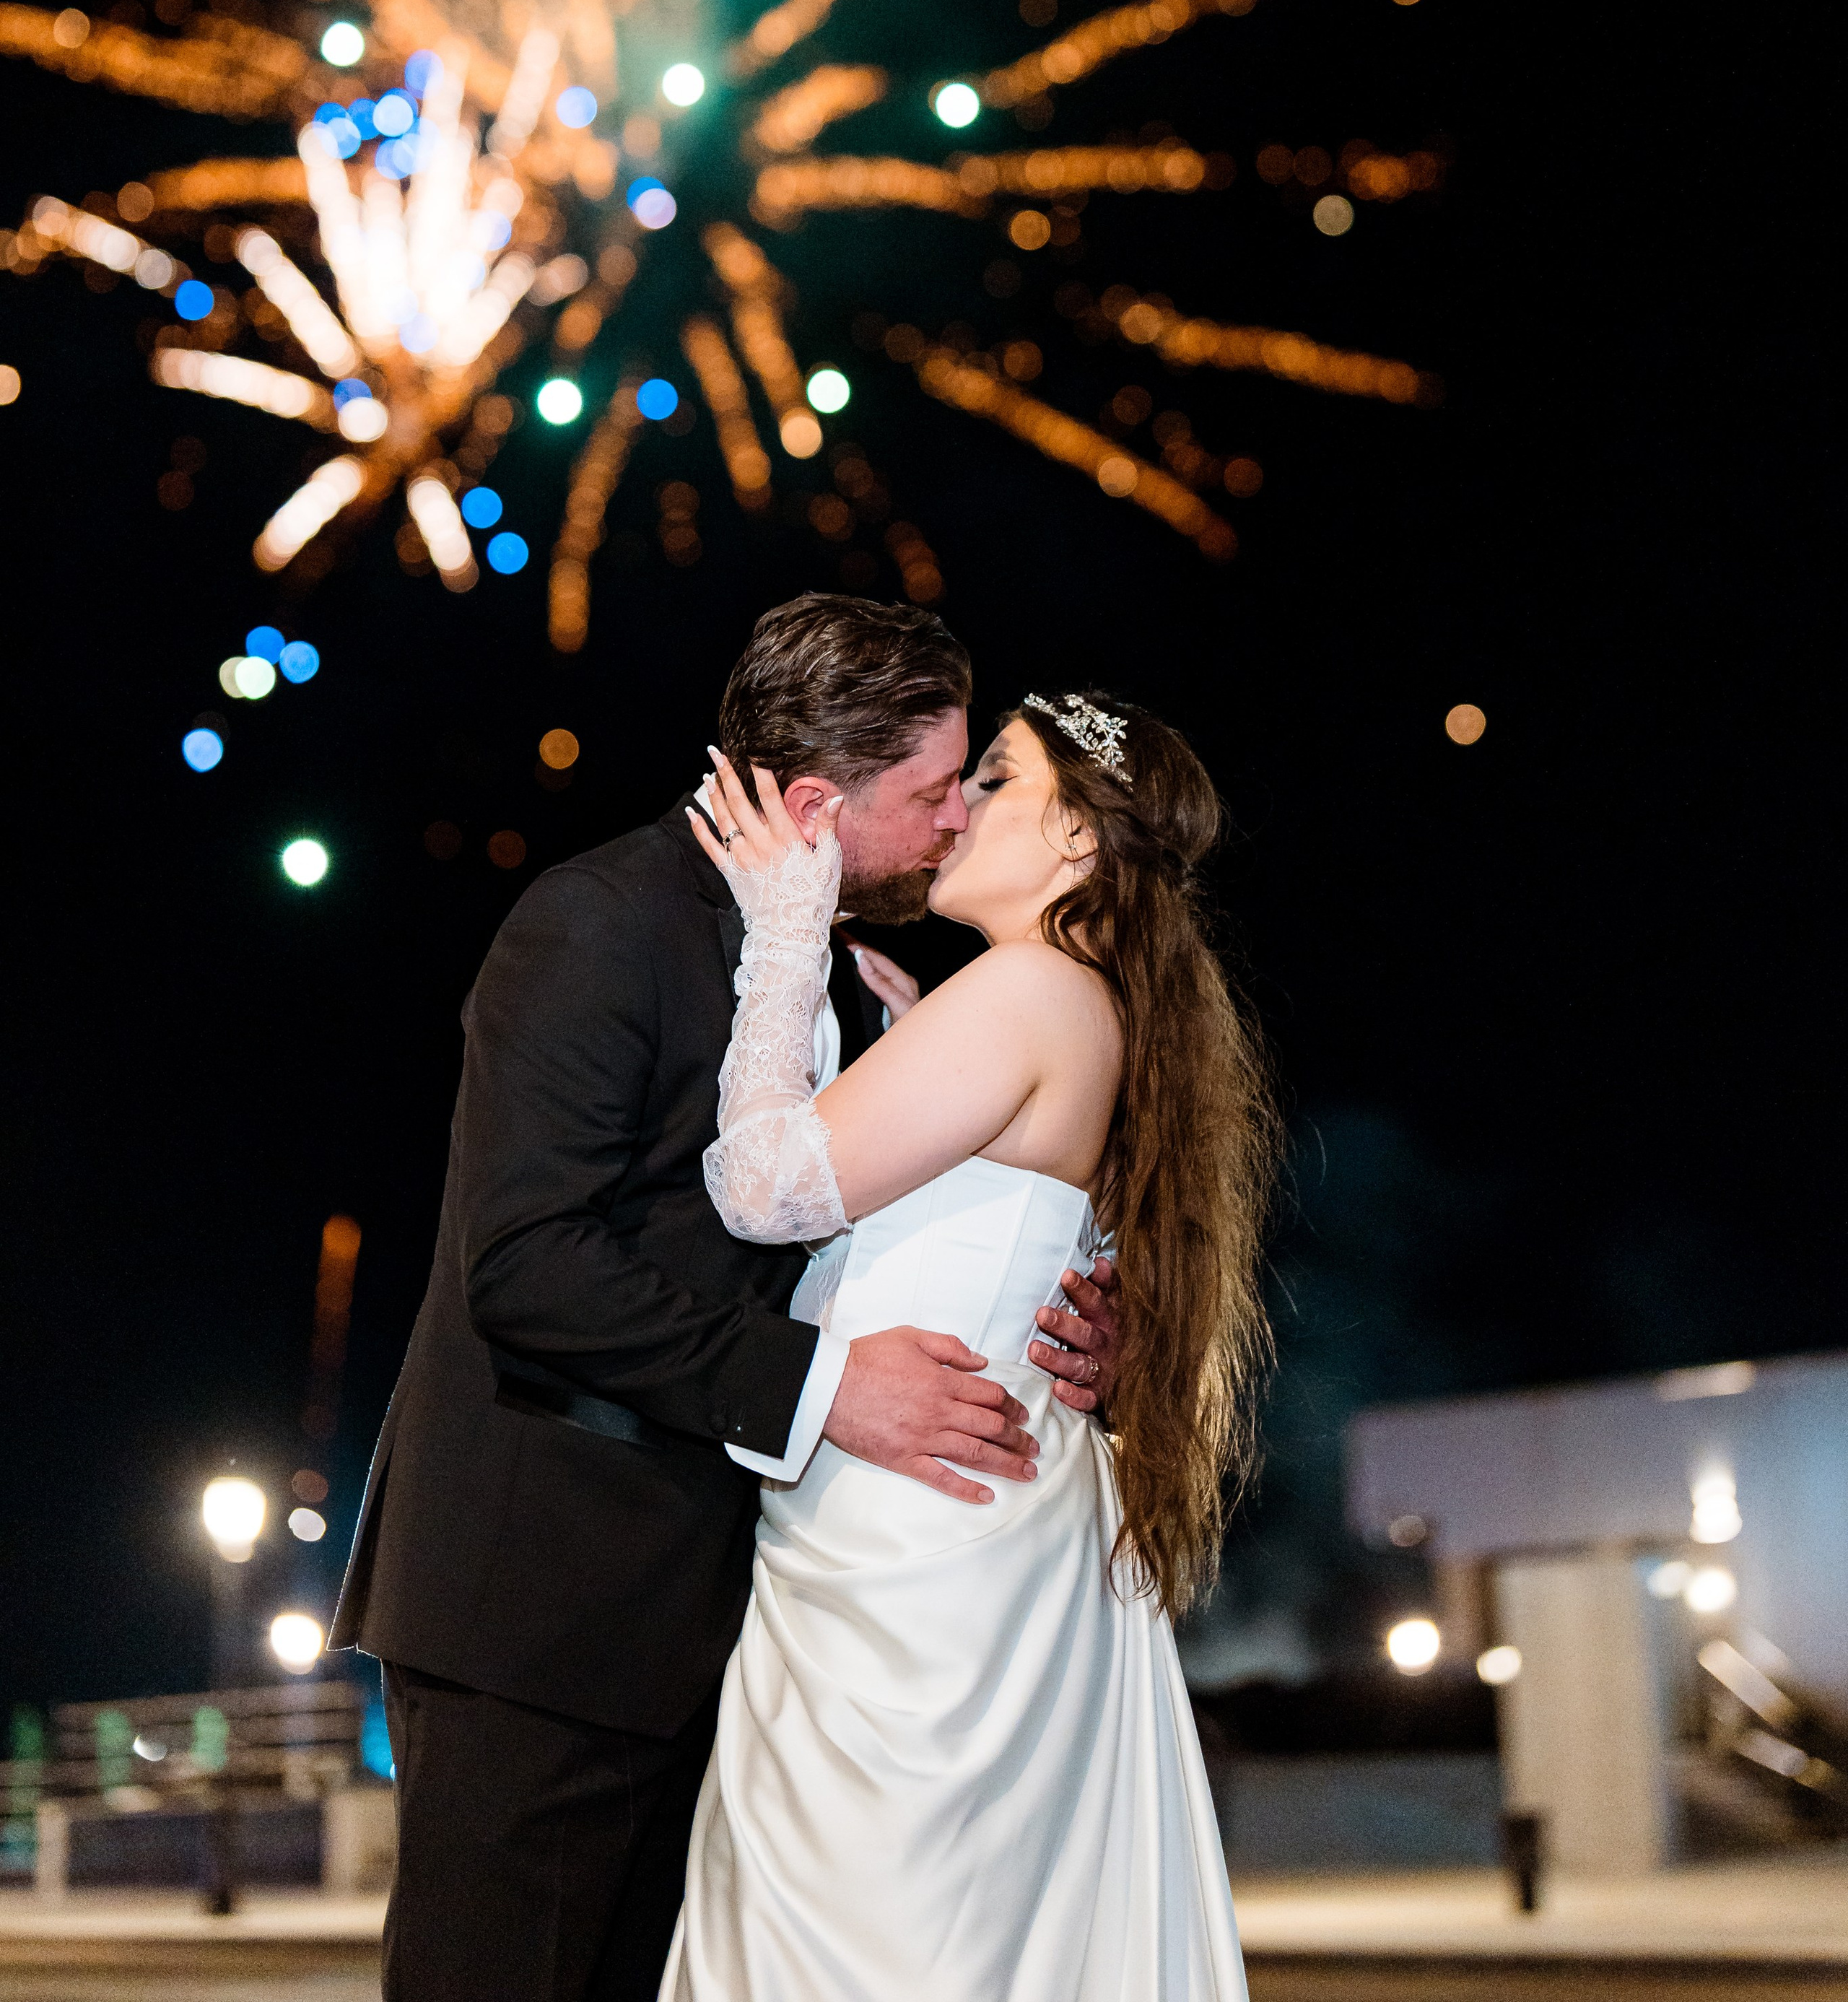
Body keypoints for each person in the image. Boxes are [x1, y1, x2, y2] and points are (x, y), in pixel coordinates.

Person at [329, 596, 1120, 2001]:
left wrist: (1069, 1315)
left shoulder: (872, 986)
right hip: (544, 1608)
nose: (955, 820)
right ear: (817, 799)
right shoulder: (595, 925)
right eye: (933, 792)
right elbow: (526, 1270)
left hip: (743, 1625)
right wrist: (827, 1388)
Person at [662, 689, 1278, 2000]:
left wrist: (780, 937)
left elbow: (765, 1188)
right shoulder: (1082, 1003)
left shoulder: (1027, 989)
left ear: (1074, 846)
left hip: (914, 1541)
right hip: (977, 1519)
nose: (955, 809)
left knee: (868, 1945)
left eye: (994, 780)